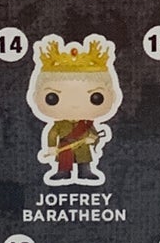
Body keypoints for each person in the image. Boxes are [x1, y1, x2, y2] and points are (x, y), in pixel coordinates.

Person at [27, 35, 121, 185]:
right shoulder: (59, 125)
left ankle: (85, 172)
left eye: (96, 97)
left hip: (82, 146)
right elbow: (53, 134)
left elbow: (93, 133)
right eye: (53, 97)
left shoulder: (87, 123)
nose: (74, 105)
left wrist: (93, 139)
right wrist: (51, 147)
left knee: (84, 160)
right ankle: (63, 173)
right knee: (64, 162)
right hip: (65, 145)